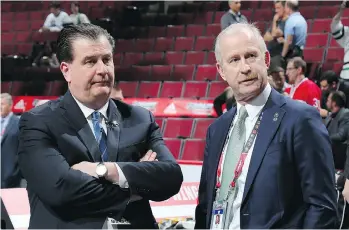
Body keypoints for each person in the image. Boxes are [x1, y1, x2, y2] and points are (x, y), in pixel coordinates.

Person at [17, 24, 183, 229]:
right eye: (90, 62)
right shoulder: (39, 122)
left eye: (107, 60)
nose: (102, 70)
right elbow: (62, 190)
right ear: (66, 70)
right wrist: (136, 183)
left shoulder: (140, 119)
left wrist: (107, 170)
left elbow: (171, 177)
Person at [195, 23, 337, 229]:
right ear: (221, 70)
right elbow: (206, 205)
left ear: (266, 59)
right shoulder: (216, 130)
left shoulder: (300, 119)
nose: (245, 68)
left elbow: (322, 207)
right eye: (234, 60)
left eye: (251, 56)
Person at [1, 93, 21, 188]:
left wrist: (16, 171)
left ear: (10, 106)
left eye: (2, 104)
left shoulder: (18, 123)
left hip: (11, 176)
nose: (0, 107)